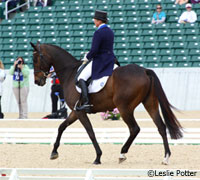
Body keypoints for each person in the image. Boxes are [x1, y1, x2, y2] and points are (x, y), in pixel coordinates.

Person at [76, 10, 116, 112]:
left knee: (81, 77)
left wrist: (87, 57)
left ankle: (86, 103)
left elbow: (94, 50)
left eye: (95, 20)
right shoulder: (110, 31)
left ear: (98, 21)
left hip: (100, 60)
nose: (94, 21)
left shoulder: (98, 32)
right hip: (110, 59)